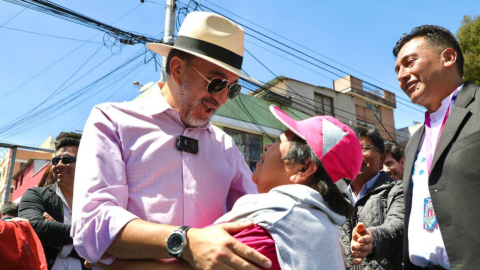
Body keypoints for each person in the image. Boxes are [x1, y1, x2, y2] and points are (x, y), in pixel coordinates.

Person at [71, 11, 272, 270]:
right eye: (216, 83)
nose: (222, 99)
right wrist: (186, 242)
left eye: (232, 88)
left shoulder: (225, 146)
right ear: (177, 69)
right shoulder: (112, 121)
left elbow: (255, 219)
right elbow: (93, 225)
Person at [85, 105, 363, 270]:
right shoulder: (323, 226)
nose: (268, 146)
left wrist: (102, 263)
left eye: (281, 139)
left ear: (303, 169)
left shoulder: (274, 223)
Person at [393, 25, 480, 270]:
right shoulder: (414, 141)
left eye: (410, 62)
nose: (401, 75)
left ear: (448, 57)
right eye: (398, 69)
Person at [19, 138, 86, 270]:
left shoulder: (97, 199)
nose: (59, 165)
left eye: (67, 159)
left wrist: (60, 238)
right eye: (55, 161)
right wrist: (90, 238)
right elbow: (32, 228)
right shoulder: (35, 195)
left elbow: (111, 247)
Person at [341, 127, 404, 270]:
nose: (356, 155)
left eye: (363, 148)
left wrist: (371, 237)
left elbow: (397, 227)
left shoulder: (397, 190)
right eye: (351, 149)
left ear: (382, 158)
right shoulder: (337, 197)